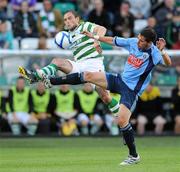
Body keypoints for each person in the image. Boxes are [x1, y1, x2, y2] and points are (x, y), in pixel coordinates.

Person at [42, 27, 172, 165]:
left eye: (142, 41)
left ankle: (134, 156)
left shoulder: (154, 53)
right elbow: (114, 40)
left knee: (122, 122)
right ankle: (50, 81)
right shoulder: (133, 42)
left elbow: (168, 64)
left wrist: (162, 51)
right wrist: (95, 37)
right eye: (139, 39)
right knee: (88, 75)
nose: (139, 42)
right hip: (120, 80)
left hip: (131, 91)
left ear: (149, 43)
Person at [18, 10, 119, 116]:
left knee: (105, 97)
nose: (67, 21)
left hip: (94, 65)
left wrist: (96, 41)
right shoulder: (68, 35)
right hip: (79, 65)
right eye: (65, 20)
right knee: (57, 61)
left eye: (70, 18)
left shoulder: (84, 26)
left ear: (77, 19)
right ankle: (37, 76)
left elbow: (102, 29)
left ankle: (120, 116)